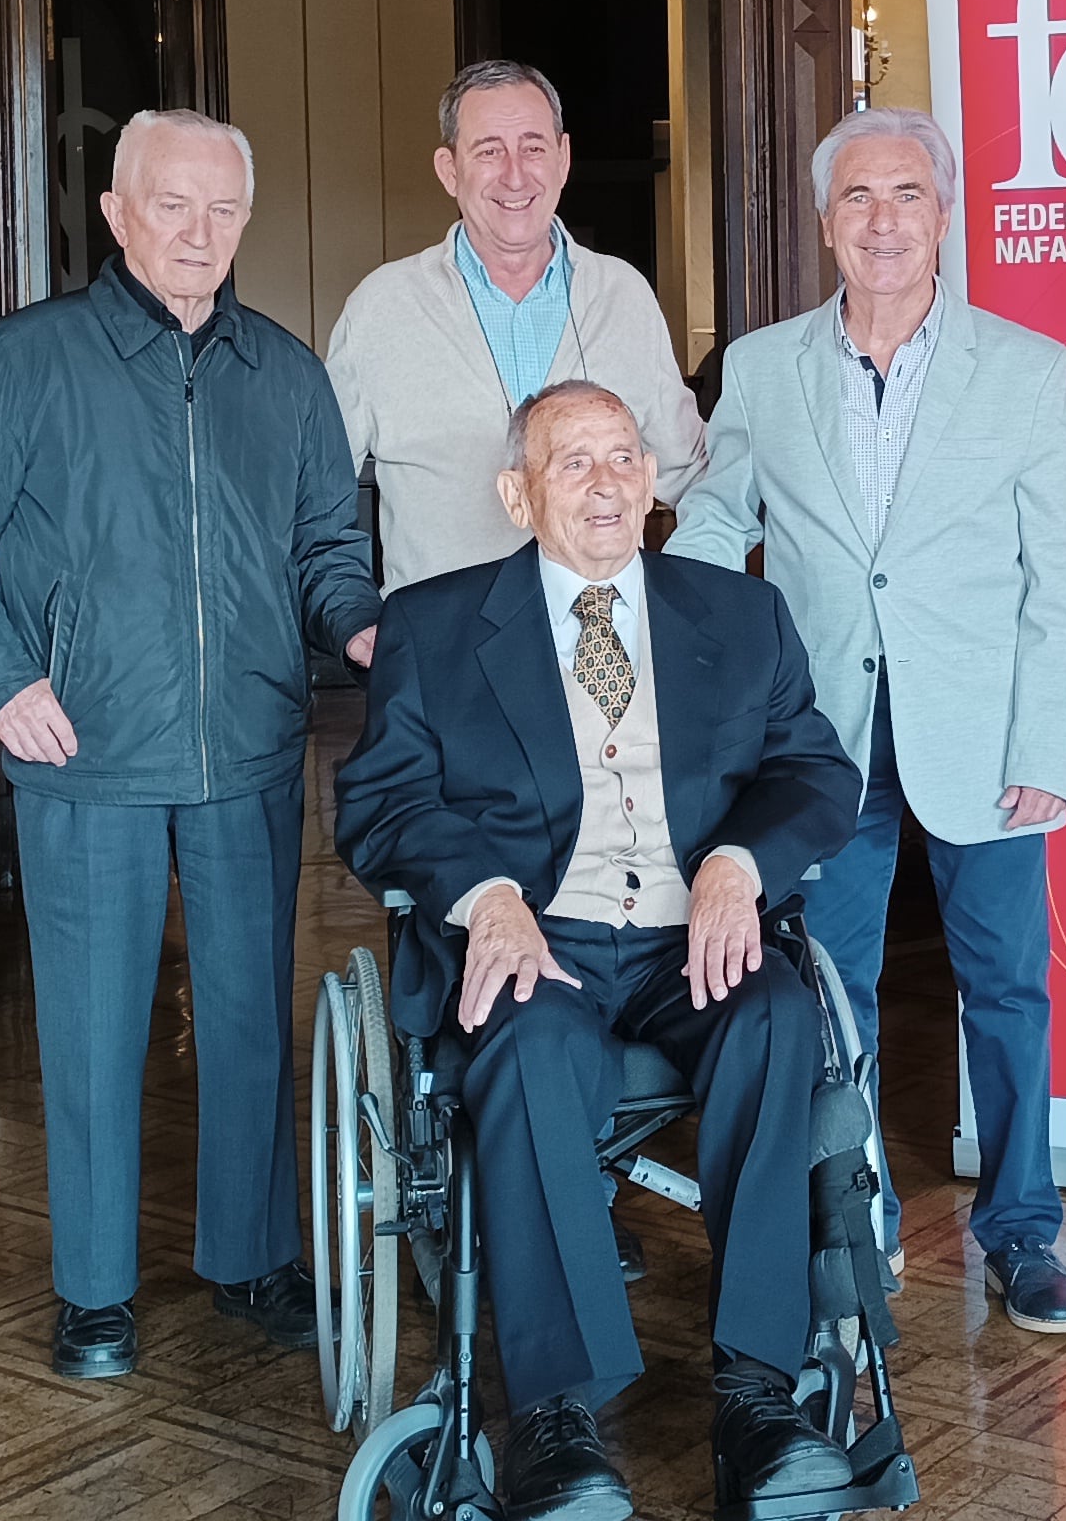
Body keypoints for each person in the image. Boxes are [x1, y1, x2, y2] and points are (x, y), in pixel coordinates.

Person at [0, 108, 382, 1382]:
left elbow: (330, 548)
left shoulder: (288, 374)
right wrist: (2, 685)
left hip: (252, 746)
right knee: (94, 1030)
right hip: (84, 753)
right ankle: (95, 1289)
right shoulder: (25, 361)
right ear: (116, 213)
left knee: (251, 1020)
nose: (199, 235)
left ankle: (252, 1256)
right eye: (174, 206)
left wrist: (362, 629)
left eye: (223, 211)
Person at [338, 381, 864, 1521]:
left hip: (698, 935)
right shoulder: (435, 627)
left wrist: (741, 864)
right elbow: (379, 802)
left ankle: (760, 1398)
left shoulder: (737, 616)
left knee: (778, 1018)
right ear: (516, 494)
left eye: (623, 456)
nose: (607, 482)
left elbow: (817, 773)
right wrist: (482, 897)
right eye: (572, 463)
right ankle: (558, 1419)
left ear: (654, 477)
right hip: (539, 939)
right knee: (528, 1048)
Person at [666, 106, 1066, 1336]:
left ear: (944, 215)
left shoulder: (1028, 371)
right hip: (819, 742)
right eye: (858, 199)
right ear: (825, 224)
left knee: (1007, 990)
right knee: (829, 988)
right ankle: (845, 1225)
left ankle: (1021, 1236)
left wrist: (1046, 751)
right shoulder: (760, 367)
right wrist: (659, 610)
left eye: (907, 195)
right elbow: (716, 518)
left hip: (985, 736)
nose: (883, 222)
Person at [328, 59, 707, 593]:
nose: (514, 174)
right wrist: (351, 616)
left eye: (533, 147)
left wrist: (684, 601)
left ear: (563, 159)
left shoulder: (624, 296)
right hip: (446, 652)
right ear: (449, 169)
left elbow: (691, 476)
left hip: (600, 648)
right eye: (488, 151)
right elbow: (314, 499)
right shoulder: (381, 308)